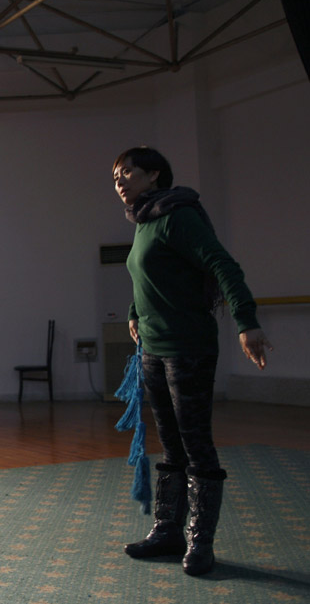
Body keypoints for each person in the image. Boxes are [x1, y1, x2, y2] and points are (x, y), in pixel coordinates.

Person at [112, 146, 271, 576]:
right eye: (116, 177)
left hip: (189, 349)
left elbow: (222, 264)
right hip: (154, 348)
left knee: (196, 444)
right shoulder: (145, 222)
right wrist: (133, 314)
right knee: (171, 443)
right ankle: (168, 531)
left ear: (154, 175)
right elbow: (148, 277)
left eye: (128, 172)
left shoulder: (177, 215)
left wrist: (246, 321)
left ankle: (201, 543)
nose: (120, 181)